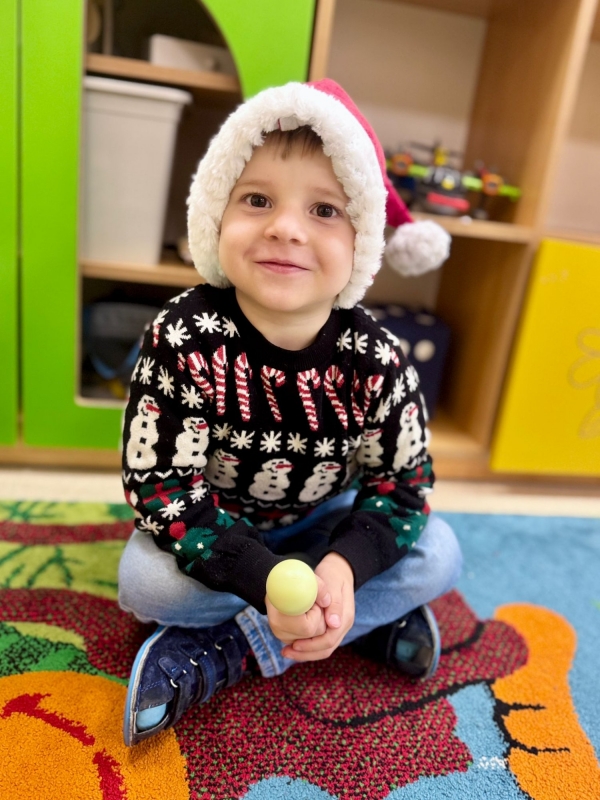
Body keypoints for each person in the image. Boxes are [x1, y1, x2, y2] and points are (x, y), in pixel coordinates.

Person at [118, 78, 461, 747]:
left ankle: (234, 648)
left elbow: (402, 487)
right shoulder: (182, 337)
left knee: (441, 555)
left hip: (325, 524)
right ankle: (359, 622)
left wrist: (344, 567)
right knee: (145, 584)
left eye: (325, 210)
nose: (285, 227)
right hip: (218, 528)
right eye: (257, 200)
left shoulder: (379, 359)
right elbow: (162, 487)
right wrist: (263, 576)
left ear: (362, 242)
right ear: (216, 214)